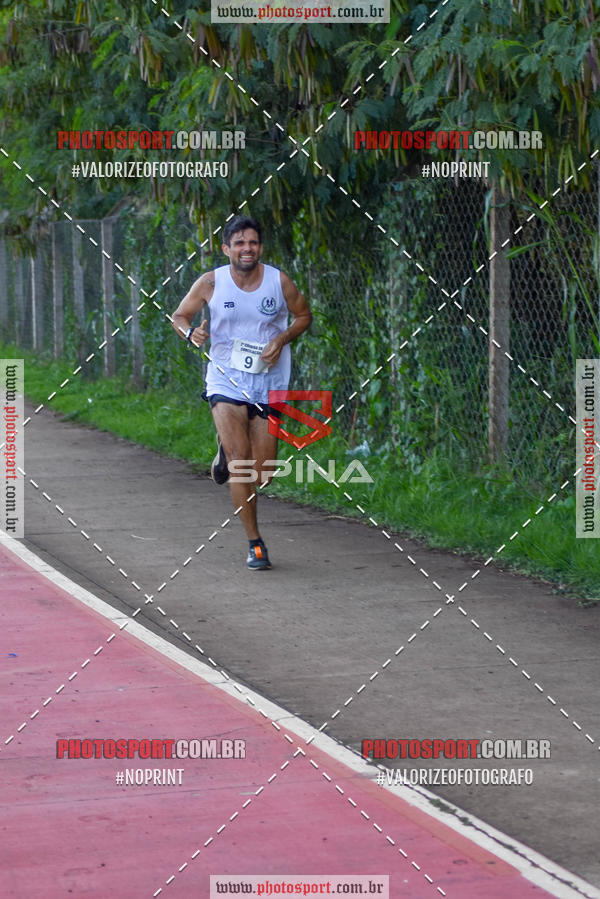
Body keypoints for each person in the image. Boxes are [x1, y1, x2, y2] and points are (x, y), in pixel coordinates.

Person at [171, 215, 312, 570]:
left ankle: (224, 449)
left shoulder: (278, 281)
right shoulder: (210, 282)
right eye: (239, 243)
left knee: (263, 472)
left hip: (268, 382)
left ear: (260, 247)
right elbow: (179, 315)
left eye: (252, 243)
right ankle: (255, 543)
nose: (246, 249)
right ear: (226, 249)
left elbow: (303, 317)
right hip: (225, 380)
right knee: (242, 465)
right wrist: (191, 333)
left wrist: (281, 339)